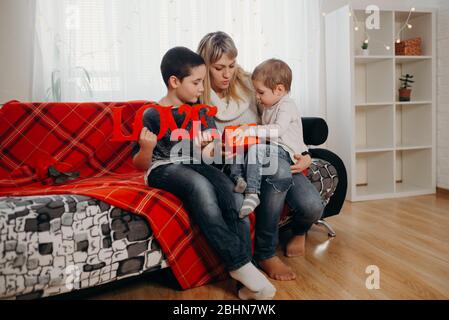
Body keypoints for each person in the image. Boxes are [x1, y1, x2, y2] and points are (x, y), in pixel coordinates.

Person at [132, 46, 276, 300]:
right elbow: (141, 164)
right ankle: (241, 266)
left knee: (234, 195)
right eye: (197, 82)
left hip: (195, 163)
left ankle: (246, 286)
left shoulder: (200, 112)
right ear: (174, 82)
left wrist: (213, 149)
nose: (202, 89)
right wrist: (147, 148)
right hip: (162, 168)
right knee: (200, 187)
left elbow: (209, 156)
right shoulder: (151, 114)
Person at [198, 32, 325, 281]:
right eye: (219, 68)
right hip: (239, 162)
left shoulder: (250, 82)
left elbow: (283, 120)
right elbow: (201, 147)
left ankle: (300, 231)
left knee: (312, 207)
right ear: (205, 67)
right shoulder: (197, 96)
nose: (227, 74)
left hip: (273, 151)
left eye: (232, 66)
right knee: (276, 169)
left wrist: (306, 154)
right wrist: (216, 150)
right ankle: (266, 253)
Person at [229, 59, 308, 220]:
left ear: (279, 89)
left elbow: (277, 130)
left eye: (260, 92)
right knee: (238, 150)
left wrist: (251, 130)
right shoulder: (268, 106)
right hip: (273, 150)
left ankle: (253, 193)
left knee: (256, 150)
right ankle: (239, 179)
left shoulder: (286, 105)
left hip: (286, 152)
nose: (257, 97)